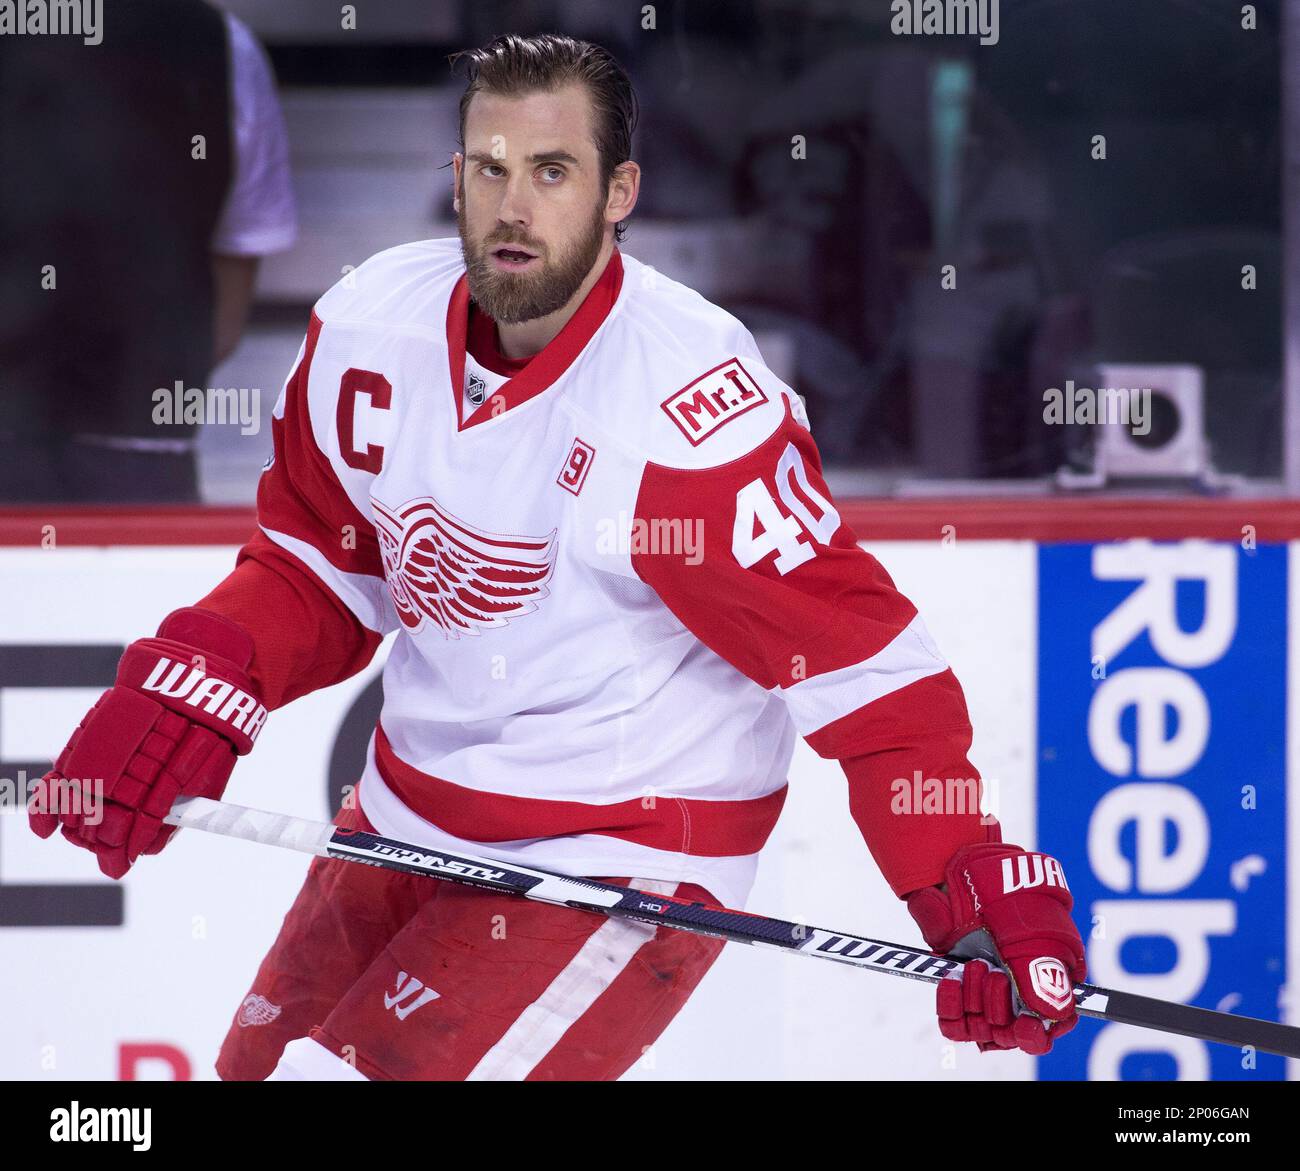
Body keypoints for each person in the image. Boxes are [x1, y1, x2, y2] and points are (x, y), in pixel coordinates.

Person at [30, 34, 1086, 1080]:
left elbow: (868, 678)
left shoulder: (686, 419)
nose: (514, 208)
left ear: (618, 191)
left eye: (551, 171)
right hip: (409, 808)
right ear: (454, 177)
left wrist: (967, 880)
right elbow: (322, 562)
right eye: (488, 168)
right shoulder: (367, 325)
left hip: (618, 857)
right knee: (254, 1074)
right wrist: (203, 673)